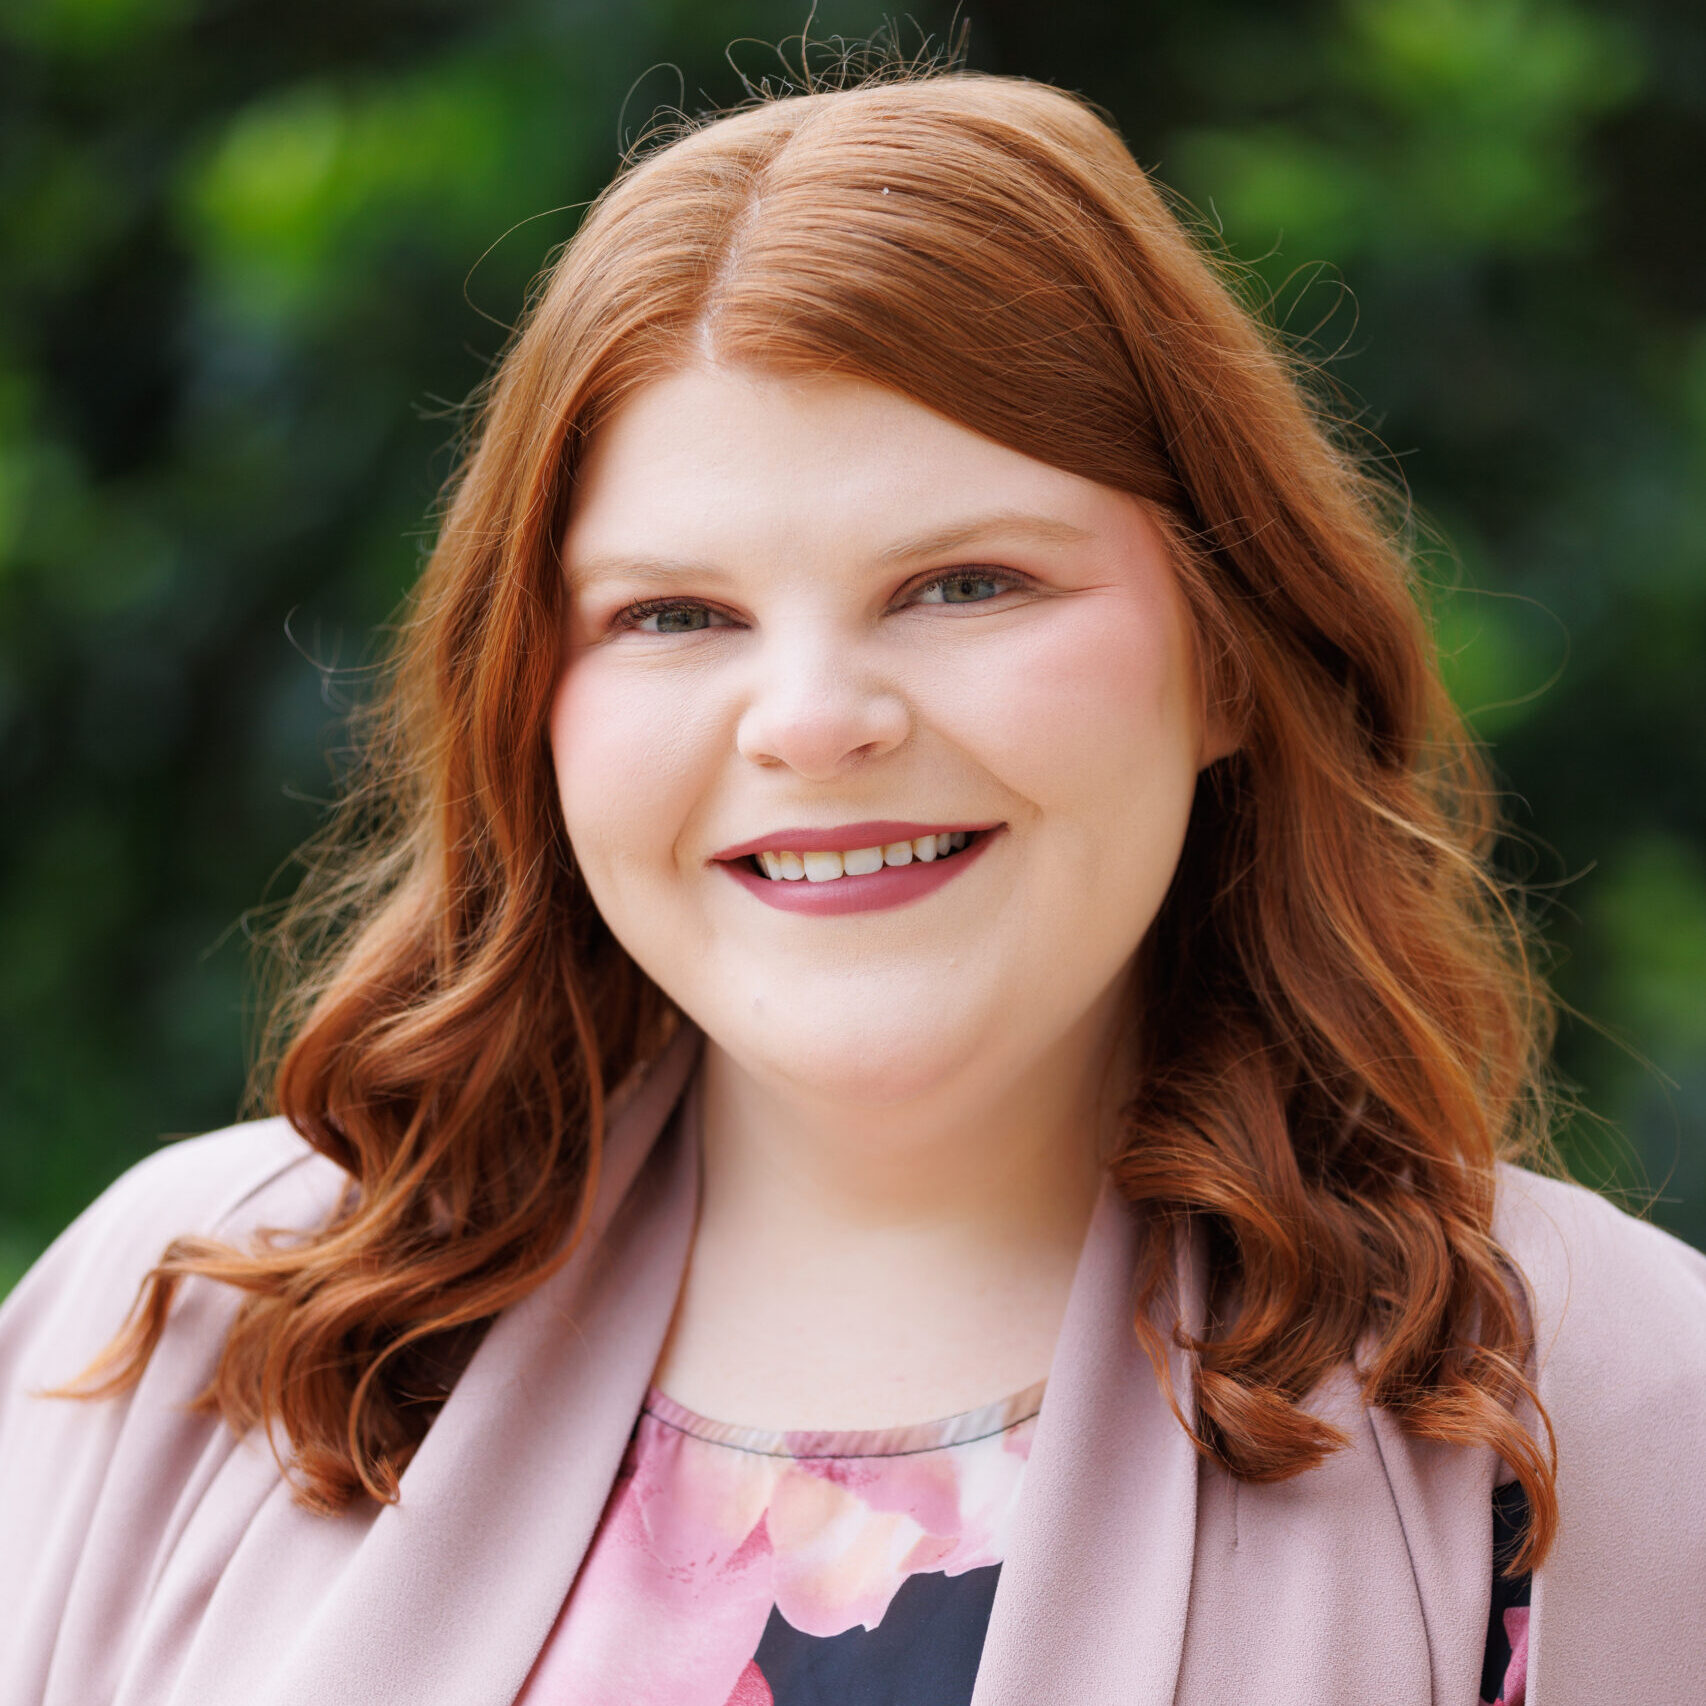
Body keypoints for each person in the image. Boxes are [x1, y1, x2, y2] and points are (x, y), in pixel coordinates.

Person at [2, 65, 1703, 1706]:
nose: (813, 722)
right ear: (532, 704)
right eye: (673, 614)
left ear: (1235, 652)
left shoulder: (1595, 1407)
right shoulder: (182, 1326)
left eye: (963, 582)